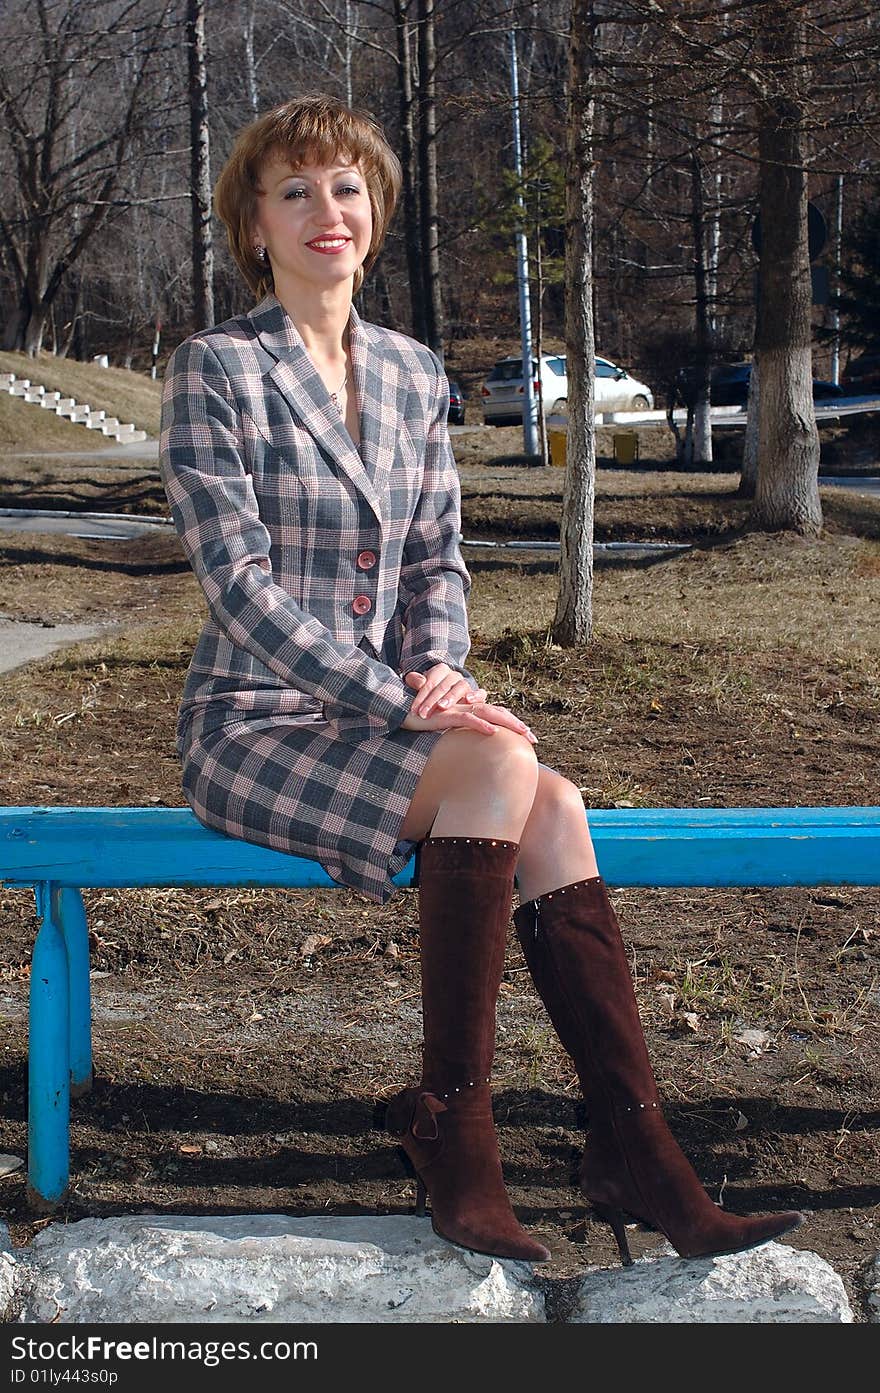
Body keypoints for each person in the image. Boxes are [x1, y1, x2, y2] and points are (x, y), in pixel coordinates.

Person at [159, 94, 804, 1267]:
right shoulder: (216, 370)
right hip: (253, 723)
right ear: (254, 224)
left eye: (347, 187)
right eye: (294, 190)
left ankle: (632, 1145)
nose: (327, 211)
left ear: (377, 210)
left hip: (386, 718)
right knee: (509, 766)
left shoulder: (411, 374)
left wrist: (442, 667)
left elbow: (433, 557)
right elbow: (237, 584)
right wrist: (399, 697)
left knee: (548, 797)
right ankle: (461, 1131)